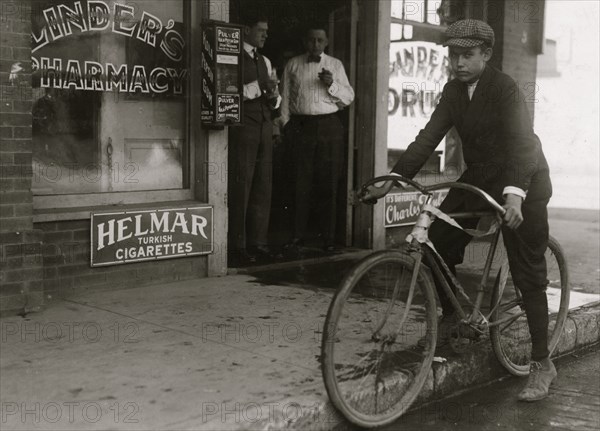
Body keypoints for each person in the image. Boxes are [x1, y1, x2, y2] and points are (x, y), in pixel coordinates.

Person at [361, 19, 555, 402]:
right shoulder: (453, 91)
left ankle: (541, 362)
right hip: (481, 176)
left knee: (526, 270)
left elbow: (522, 146)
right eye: (454, 55)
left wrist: (514, 195)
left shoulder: (506, 89)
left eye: (467, 55)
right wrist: (395, 179)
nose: (458, 63)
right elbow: (428, 136)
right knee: (438, 241)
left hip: (524, 179)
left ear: (486, 54)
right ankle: (453, 320)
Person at [280, 25, 355, 253]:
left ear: (326, 42)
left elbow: (348, 98)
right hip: (301, 126)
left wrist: (331, 84)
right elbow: (285, 97)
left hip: (328, 126)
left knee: (328, 182)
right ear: (305, 42)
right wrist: (285, 125)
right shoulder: (293, 64)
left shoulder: (335, 65)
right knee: (299, 182)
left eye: (319, 40)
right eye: (311, 40)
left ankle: (327, 238)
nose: (315, 44)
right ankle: (296, 236)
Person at [228, 13, 281, 265]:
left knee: (263, 186)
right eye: (261, 30)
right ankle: (236, 246)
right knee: (242, 185)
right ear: (246, 29)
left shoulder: (266, 60)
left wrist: (273, 96)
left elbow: (276, 98)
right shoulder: (230, 56)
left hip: (264, 126)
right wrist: (260, 86)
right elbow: (228, 92)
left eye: (266, 31)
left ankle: (257, 243)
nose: (265, 35)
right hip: (243, 128)